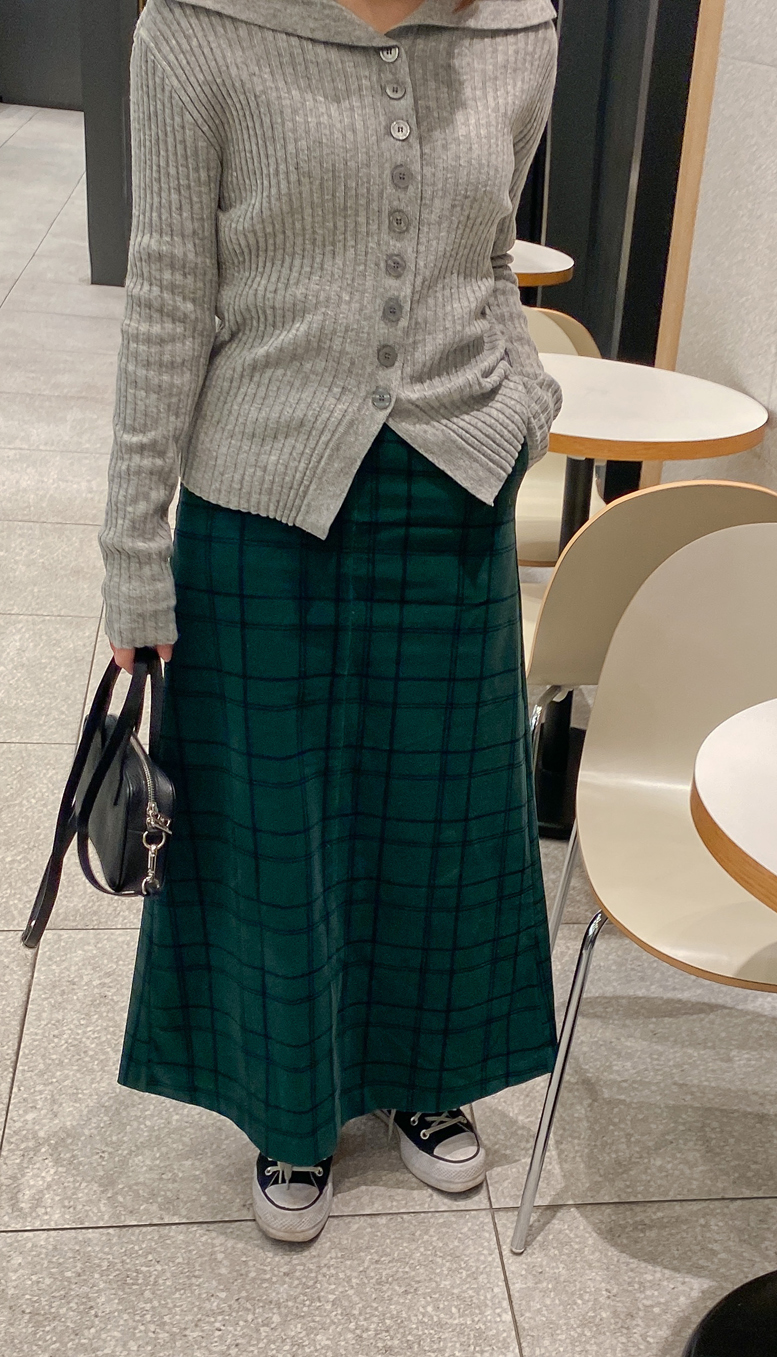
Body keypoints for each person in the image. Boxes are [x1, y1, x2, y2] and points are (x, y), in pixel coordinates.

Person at [100, 0, 561, 1243]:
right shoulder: (196, 30)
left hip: (453, 485)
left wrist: (524, 397)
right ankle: (287, 1106)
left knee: (441, 815)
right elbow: (167, 296)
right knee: (272, 826)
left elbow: (490, 254)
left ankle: (427, 1073)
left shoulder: (519, 27)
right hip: (261, 493)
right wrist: (133, 550)